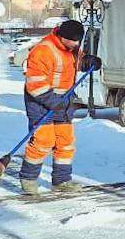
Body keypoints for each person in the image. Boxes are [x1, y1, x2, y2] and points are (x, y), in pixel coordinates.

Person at [16, 19, 101, 195]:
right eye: (72, 41)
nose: (76, 44)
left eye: (78, 41)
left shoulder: (71, 48)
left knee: (65, 141)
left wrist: (87, 62)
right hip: (40, 102)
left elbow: (75, 63)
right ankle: (28, 178)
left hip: (63, 102)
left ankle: (62, 181)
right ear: (62, 37)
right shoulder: (43, 51)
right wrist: (55, 102)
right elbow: (35, 85)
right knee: (43, 141)